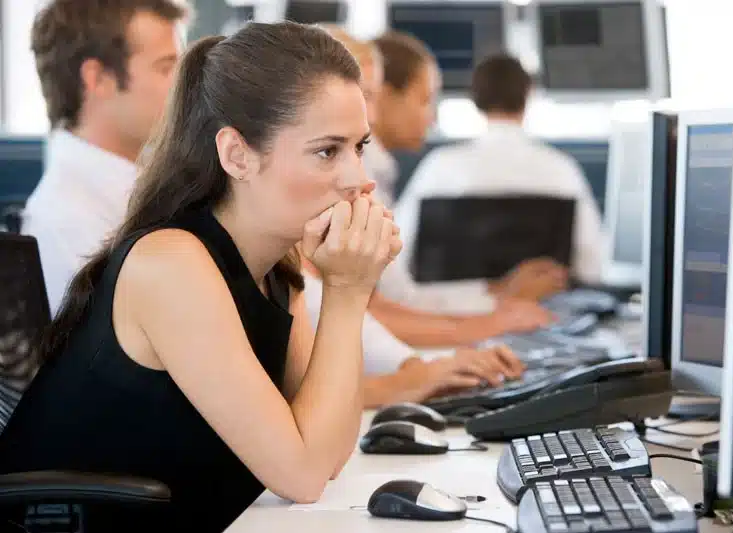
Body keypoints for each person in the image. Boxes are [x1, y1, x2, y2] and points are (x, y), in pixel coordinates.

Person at [0, 22, 400, 532]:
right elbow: (301, 476)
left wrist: (347, 287)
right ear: (236, 155)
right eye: (327, 151)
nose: (359, 179)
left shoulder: (277, 266)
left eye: (359, 147)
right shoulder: (171, 265)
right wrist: (347, 290)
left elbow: (326, 456)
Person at [367, 31, 568, 315]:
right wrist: (502, 302)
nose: (433, 118)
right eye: (425, 100)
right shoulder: (563, 168)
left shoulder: (437, 168)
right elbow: (397, 301)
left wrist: (499, 295)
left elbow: (402, 285)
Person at [22, 0, 190, 314]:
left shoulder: (140, 186)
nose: (183, 84)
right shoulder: (69, 224)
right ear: (97, 78)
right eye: (166, 67)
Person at [394, 53, 607, 285]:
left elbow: (397, 255)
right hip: (540, 305)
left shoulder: (438, 168)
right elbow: (591, 266)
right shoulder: (562, 170)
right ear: (528, 96)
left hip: (451, 305)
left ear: (475, 99)